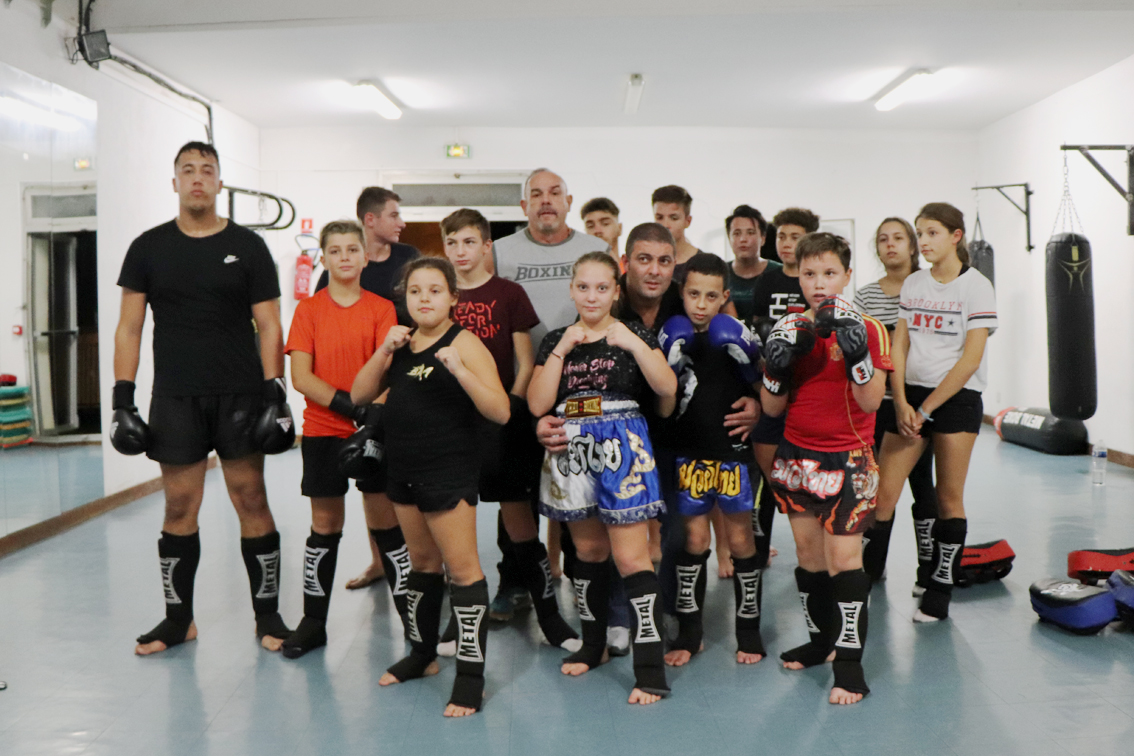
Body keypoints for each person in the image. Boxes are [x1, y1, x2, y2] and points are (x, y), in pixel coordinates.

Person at [112, 141, 293, 656]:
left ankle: (269, 617)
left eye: (206, 171)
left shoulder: (248, 246)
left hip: (239, 393)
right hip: (176, 397)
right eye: (187, 170)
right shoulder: (148, 247)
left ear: (219, 183)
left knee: (250, 499)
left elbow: (269, 322)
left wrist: (274, 391)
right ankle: (178, 621)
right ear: (174, 183)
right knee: (178, 505)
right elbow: (129, 327)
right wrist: (121, 399)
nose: (197, 178)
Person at [351, 257, 510, 717]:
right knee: (421, 565)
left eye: (435, 290)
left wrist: (460, 370)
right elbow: (360, 395)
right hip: (401, 469)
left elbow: (500, 411)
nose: (424, 299)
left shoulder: (465, 342)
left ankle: (470, 678)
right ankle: (422, 656)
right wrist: (383, 350)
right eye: (415, 291)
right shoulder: (399, 343)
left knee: (463, 572)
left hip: (448, 469)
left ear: (453, 298)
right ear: (405, 298)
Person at [528, 249, 677, 705]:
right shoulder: (557, 337)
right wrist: (562, 347)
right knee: (587, 551)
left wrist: (633, 343)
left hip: (621, 443)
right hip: (571, 445)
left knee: (632, 558)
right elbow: (537, 404)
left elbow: (667, 387)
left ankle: (650, 669)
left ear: (616, 290)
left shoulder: (633, 331)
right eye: (583, 286)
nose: (591, 295)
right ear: (572, 289)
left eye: (601, 287)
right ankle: (593, 647)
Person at [760, 232, 891, 705]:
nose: (819, 283)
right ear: (796, 275)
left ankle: (851, 667)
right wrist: (775, 367)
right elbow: (770, 410)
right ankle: (822, 642)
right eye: (809, 273)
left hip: (850, 458)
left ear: (847, 275)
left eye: (829, 273)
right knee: (809, 560)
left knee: (844, 562)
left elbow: (872, 401)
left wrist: (855, 353)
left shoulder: (871, 328)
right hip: (797, 456)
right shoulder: (788, 326)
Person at [441, 208, 580, 649]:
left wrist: (515, 409)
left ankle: (552, 620)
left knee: (520, 524)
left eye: (468, 242)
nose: (460, 252)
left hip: (502, 422)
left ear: (486, 246)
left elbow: (525, 358)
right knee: (451, 526)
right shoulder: (440, 294)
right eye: (452, 243)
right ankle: (456, 623)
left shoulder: (508, 292)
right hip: (453, 426)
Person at [281, 220, 407, 658]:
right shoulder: (309, 311)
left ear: (364, 255)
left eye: (352, 249)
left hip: (374, 430)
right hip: (323, 430)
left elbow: (390, 372)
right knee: (324, 526)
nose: (345, 258)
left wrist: (370, 416)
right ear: (325, 257)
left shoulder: (380, 308)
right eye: (335, 251)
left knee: (386, 524)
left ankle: (413, 622)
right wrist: (351, 408)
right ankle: (313, 623)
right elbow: (300, 376)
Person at [491, 169, 609, 620]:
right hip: (522, 385)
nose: (545, 201)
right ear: (523, 207)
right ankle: (515, 582)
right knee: (516, 493)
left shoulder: (592, 250)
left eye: (554, 193)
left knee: (582, 493)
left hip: (583, 386)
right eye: (535, 194)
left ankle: (587, 586)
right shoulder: (500, 252)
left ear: (569, 201)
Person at [873, 203, 997, 622]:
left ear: (956, 236)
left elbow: (970, 359)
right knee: (881, 496)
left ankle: (938, 590)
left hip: (956, 401)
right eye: (920, 234)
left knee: (948, 498)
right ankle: (861, 581)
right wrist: (903, 401)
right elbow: (900, 345)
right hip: (911, 398)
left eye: (931, 234)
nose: (923, 242)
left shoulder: (977, 287)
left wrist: (925, 409)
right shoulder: (913, 284)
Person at [658, 253, 766, 668]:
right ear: (682, 294)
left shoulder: (735, 336)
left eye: (710, 296)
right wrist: (669, 361)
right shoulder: (673, 337)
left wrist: (755, 394)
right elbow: (662, 401)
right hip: (690, 452)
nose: (700, 304)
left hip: (733, 453)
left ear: (724, 296)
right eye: (692, 294)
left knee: (740, 541)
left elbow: (763, 389)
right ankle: (690, 632)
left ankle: (749, 631)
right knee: (695, 541)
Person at [320, 187, 421, 593]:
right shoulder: (347, 272)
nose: (402, 222)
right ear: (370, 220)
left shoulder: (408, 258)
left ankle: (425, 562)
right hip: (359, 392)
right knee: (368, 476)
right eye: (394, 215)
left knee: (407, 480)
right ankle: (379, 562)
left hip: (406, 383)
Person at [855, 219, 939, 589]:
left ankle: (928, 570)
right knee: (877, 490)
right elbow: (860, 346)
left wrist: (887, 339)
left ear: (912, 245)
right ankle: (873, 567)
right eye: (883, 240)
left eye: (898, 238)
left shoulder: (931, 288)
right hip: (876, 405)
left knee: (923, 485)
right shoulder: (866, 296)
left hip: (918, 402)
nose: (890, 245)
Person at [746, 207, 821, 582]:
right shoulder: (768, 279)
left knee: (808, 477)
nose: (787, 243)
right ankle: (759, 549)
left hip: (807, 392)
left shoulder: (813, 281)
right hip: (772, 385)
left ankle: (818, 552)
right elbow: (758, 329)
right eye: (782, 236)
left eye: (795, 236)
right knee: (768, 475)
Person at [723, 205, 778, 324]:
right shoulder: (719, 273)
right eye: (737, 233)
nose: (743, 239)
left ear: (763, 238)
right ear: (729, 238)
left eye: (750, 232)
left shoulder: (778, 272)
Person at [651, 185, 703, 282]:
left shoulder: (703, 263)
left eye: (674, 218)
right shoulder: (646, 261)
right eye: (659, 217)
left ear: (688, 221)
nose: (665, 225)